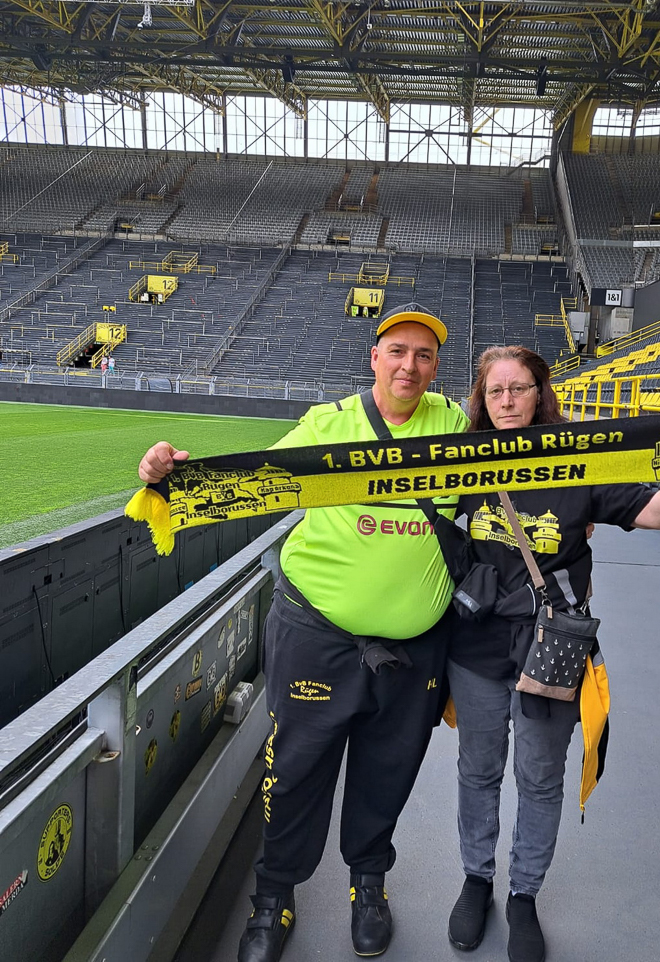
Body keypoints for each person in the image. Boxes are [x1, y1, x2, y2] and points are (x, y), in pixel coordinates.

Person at [136, 304, 469, 962]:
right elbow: (255, 480)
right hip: (317, 634)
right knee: (292, 772)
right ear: (374, 358)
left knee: (388, 772)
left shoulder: (455, 424)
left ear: (436, 368)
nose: (409, 365)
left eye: (424, 355)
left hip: (414, 648)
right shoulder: (328, 423)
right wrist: (169, 473)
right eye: (397, 351)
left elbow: (529, 455)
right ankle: (272, 897)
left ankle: (367, 885)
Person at [444, 345, 660, 962]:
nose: (507, 401)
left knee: (539, 777)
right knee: (478, 770)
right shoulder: (459, 463)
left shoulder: (577, 462)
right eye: (496, 391)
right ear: (481, 399)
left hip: (552, 648)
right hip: (475, 647)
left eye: (519, 388)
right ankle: (476, 879)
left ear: (539, 394)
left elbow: (655, 512)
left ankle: (523, 894)